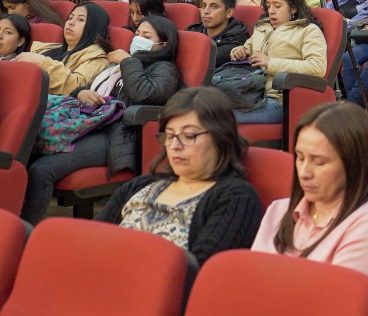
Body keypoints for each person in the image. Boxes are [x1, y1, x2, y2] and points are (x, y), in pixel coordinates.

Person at [22, 15, 184, 223]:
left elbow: (144, 94)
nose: (138, 38)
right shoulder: (120, 66)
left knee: (41, 170)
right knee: (25, 154)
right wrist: (81, 93)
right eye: (137, 33)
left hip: (119, 135)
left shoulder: (163, 68)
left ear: (163, 44)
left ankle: (23, 234)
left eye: (146, 35)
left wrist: (128, 61)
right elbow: (90, 88)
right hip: (92, 124)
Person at [96, 88, 262, 265]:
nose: (175, 145)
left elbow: (201, 273)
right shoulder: (140, 185)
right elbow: (91, 240)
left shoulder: (235, 197)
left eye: (189, 135)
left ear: (221, 137)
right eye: (169, 135)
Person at [251, 102, 368, 290]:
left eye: (319, 162)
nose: (304, 172)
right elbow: (252, 283)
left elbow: (330, 303)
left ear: (353, 164)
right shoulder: (278, 211)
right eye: (300, 157)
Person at [229, 0, 327, 124]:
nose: (271, 11)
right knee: (209, 108)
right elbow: (247, 48)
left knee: (222, 118)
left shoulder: (308, 30)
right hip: (249, 92)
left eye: (277, 6)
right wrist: (238, 51)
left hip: (280, 100)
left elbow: (317, 67)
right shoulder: (263, 26)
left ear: (293, 8)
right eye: (268, 6)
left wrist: (271, 63)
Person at [17, 2, 111, 94]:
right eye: (70, 18)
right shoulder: (47, 48)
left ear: (93, 28)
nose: (71, 22)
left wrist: (42, 62)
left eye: (81, 20)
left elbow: (77, 86)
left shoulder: (97, 58)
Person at [188, 0, 250, 67]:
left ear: (229, 12)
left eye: (214, 6)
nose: (206, 11)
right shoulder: (193, 30)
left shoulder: (237, 39)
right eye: (203, 5)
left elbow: (203, 59)